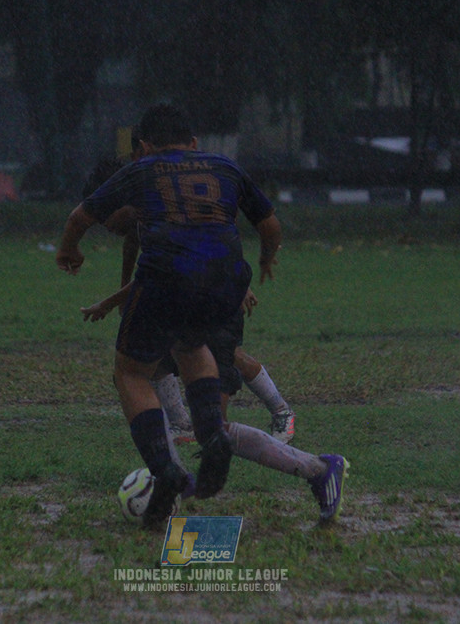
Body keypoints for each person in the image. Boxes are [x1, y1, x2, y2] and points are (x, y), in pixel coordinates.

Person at [57, 104, 346, 528]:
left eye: (114, 224)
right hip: (212, 293)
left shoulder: (143, 185)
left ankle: (317, 469)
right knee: (167, 376)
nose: (116, 231)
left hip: (190, 297)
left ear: (144, 150)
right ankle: (173, 472)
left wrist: (73, 255)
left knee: (147, 380)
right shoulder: (205, 179)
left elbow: (101, 231)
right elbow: (257, 228)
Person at [82, 137, 297, 446]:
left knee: (221, 364)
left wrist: (242, 283)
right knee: (155, 356)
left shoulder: (163, 205)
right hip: (185, 291)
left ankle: (280, 411)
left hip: (214, 290)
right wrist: (121, 288)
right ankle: (183, 424)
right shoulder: (143, 213)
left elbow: (218, 237)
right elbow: (134, 249)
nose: (105, 226)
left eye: (106, 217)